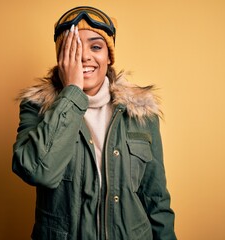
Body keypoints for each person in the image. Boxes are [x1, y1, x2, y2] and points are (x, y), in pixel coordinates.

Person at [12, 6, 176, 240]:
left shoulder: (140, 112)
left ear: (109, 56)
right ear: (61, 58)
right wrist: (72, 92)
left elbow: (156, 199)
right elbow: (38, 171)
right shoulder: (37, 108)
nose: (85, 56)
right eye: (74, 48)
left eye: (96, 47)